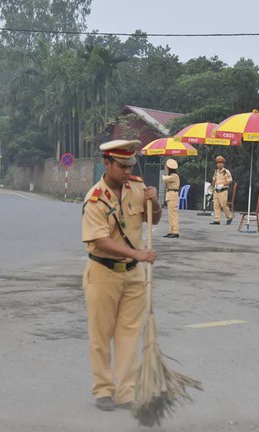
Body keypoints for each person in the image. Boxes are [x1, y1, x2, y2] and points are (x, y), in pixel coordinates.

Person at [81, 139, 162, 411]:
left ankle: (126, 392)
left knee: (129, 335)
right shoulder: (95, 198)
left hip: (132, 277)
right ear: (107, 164)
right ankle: (103, 389)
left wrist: (155, 202)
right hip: (103, 273)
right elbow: (99, 240)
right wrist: (137, 254)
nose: (127, 171)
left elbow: (154, 220)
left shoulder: (137, 188)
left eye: (130, 166)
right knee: (101, 336)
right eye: (121, 166)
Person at [210, 155, 233, 225]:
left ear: (223, 164)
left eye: (220, 163)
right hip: (216, 190)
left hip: (223, 190)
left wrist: (223, 185)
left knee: (223, 205)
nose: (219, 164)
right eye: (217, 163)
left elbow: (230, 181)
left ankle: (229, 217)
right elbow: (214, 180)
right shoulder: (216, 171)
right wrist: (212, 187)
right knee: (216, 205)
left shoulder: (226, 171)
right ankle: (217, 220)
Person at [162, 158, 180, 238]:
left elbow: (164, 179)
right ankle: (171, 231)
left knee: (173, 214)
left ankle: (175, 231)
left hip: (173, 195)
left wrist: (164, 173)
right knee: (170, 214)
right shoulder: (171, 176)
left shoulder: (174, 176)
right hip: (170, 194)